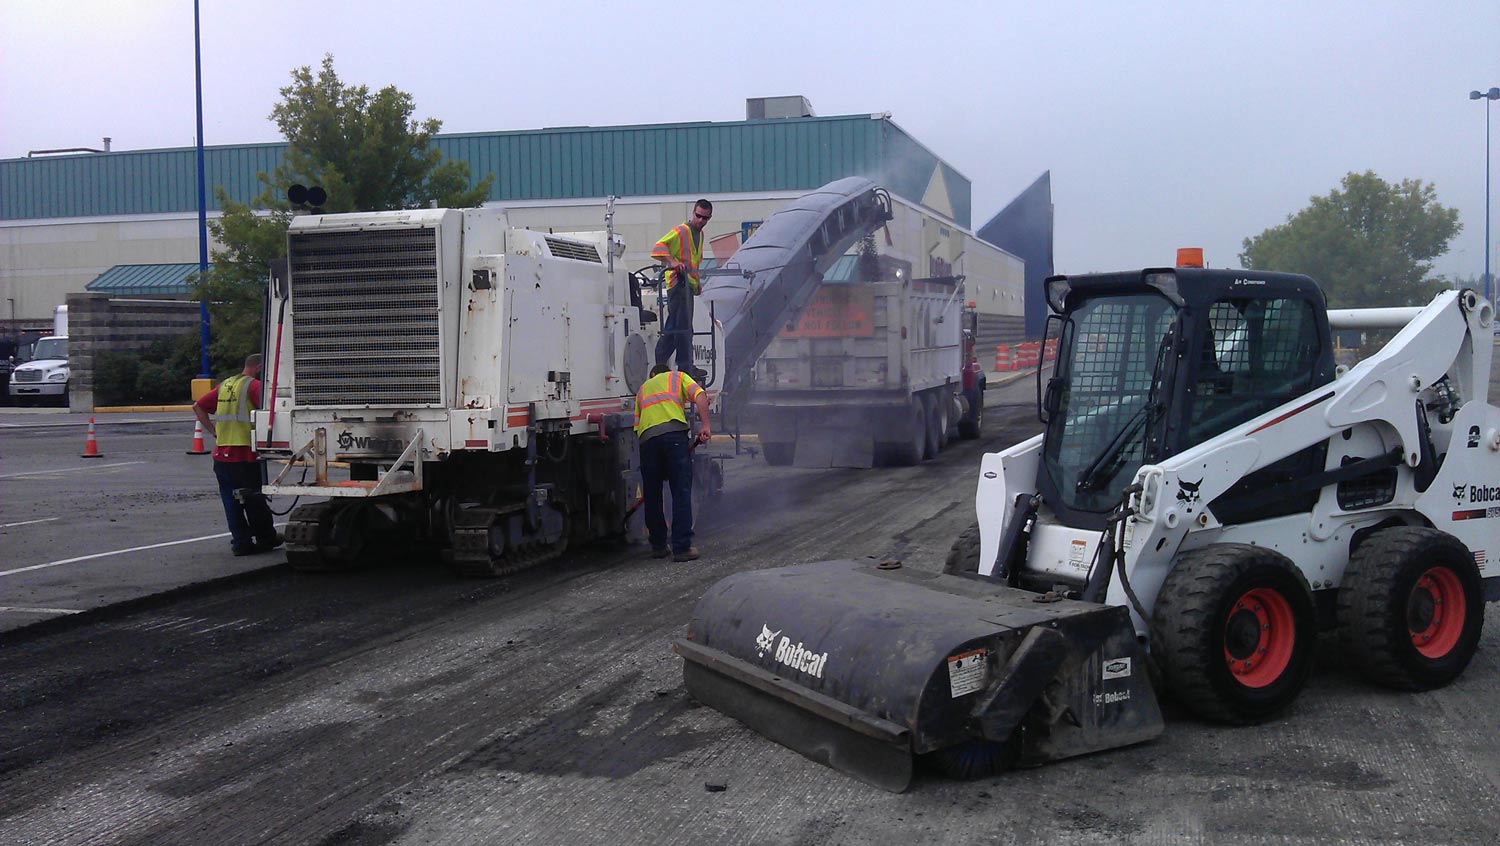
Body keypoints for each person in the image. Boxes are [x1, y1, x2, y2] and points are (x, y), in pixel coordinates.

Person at [194, 353, 281, 557]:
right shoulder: (254, 387)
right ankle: (265, 537)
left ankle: (241, 543)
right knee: (254, 498)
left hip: (222, 454)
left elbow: (197, 406)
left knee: (231, 500)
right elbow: (271, 411)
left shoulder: (226, 385)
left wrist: (214, 431)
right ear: (259, 367)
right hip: (245, 453)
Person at [635, 363, 712, 561]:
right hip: (674, 437)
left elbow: (637, 427)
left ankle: (659, 546)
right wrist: (705, 426)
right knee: (680, 491)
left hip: (648, 441)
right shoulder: (677, 377)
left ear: (653, 374)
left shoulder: (643, 389)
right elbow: (700, 396)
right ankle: (681, 547)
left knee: (652, 494)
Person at [651, 199, 713, 379]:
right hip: (678, 284)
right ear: (693, 213)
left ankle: (662, 363)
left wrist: (697, 283)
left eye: (705, 218)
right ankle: (685, 367)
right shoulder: (681, 231)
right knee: (682, 328)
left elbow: (693, 262)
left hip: (688, 286)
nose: (701, 220)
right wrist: (672, 262)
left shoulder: (699, 235)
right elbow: (657, 248)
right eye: (698, 216)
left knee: (678, 328)